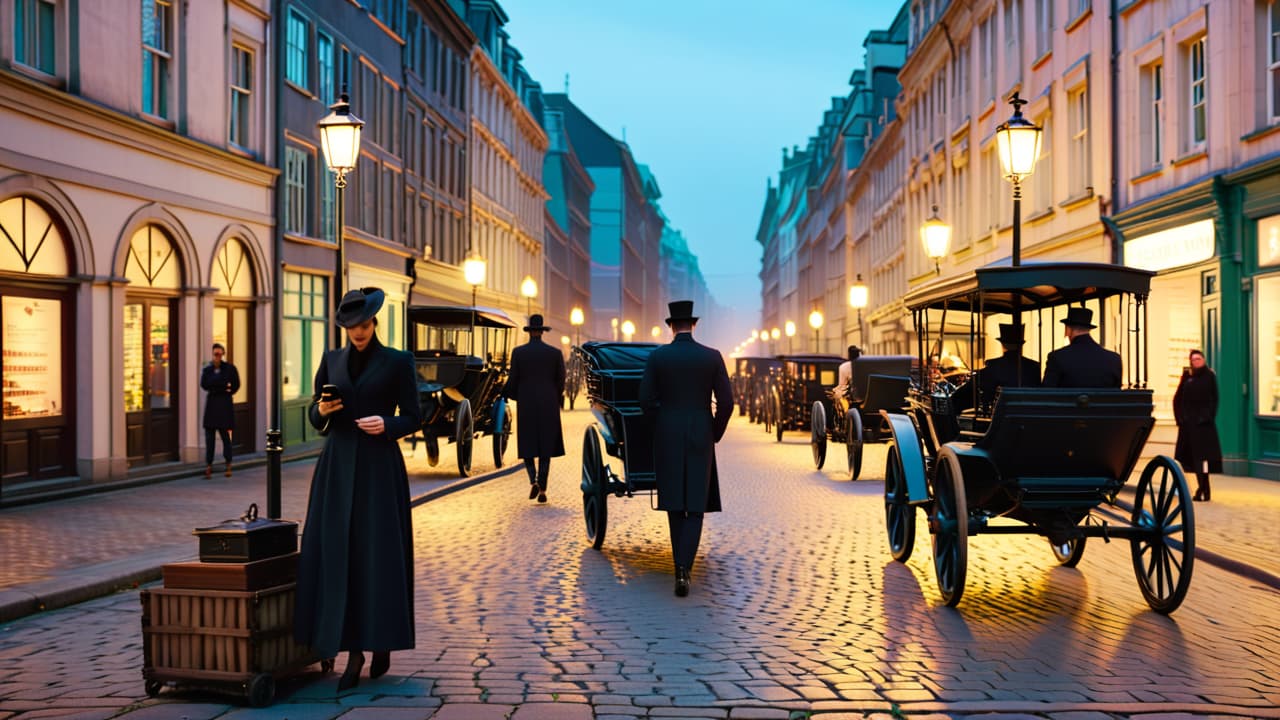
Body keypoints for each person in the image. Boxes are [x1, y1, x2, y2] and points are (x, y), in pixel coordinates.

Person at [294, 287, 421, 692]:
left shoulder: (398, 361)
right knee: (336, 552)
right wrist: (322, 411)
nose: (358, 333)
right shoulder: (332, 360)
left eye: (363, 326)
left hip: (380, 469)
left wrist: (389, 424)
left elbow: (416, 416)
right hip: (336, 468)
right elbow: (316, 413)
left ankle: (380, 639)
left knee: (377, 556)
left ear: (374, 323)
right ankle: (348, 649)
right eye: (351, 328)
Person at [639, 300, 734, 597]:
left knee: (674, 503)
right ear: (694, 325)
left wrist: (661, 422)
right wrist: (714, 433)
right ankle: (684, 569)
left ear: (671, 326)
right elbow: (727, 403)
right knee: (695, 503)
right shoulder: (712, 357)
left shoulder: (658, 357)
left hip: (667, 432)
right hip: (700, 433)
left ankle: (679, 564)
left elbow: (645, 400)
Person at [503, 313, 566, 503]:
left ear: (530, 332)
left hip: (527, 403)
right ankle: (543, 488)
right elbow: (561, 380)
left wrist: (513, 395)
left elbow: (513, 379)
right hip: (548, 403)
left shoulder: (518, 353)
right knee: (545, 448)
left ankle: (533, 481)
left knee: (528, 445)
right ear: (542, 332)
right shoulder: (554, 354)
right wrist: (554, 397)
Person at [954, 323, 1040, 411]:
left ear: (1002, 344)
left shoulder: (994, 366)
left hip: (1002, 416)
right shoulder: (1034, 367)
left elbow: (967, 389)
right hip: (1030, 413)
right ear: (1021, 345)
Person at [1174, 349, 1223, 502]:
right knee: (1192, 459)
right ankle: (1203, 490)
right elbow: (1178, 398)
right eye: (1193, 359)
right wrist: (1180, 418)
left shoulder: (1209, 376)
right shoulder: (1188, 376)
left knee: (1202, 459)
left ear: (1203, 359)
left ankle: (1202, 490)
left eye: (1198, 359)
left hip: (1203, 425)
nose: (1196, 362)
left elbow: (1214, 399)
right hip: (1188, 424)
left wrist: (1207, 417)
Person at [1042, 307, 1122, 388]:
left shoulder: (1057, 357)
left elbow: (1046, 393)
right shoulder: (1114, 359)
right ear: (1089, 329)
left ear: (1068, 329)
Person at [200, 343, 241, 477]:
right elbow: (205, 384)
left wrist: (225, 389)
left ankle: (228, 463)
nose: (217, 357)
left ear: (223, 354)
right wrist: (221, 384)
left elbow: (235, 384)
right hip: (212, 405)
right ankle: (208, 465)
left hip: (224, 404)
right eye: (215, 354)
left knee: (225, 437)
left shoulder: (229, 368)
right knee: (209, 437)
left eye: (219, 354)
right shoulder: (208, 369)